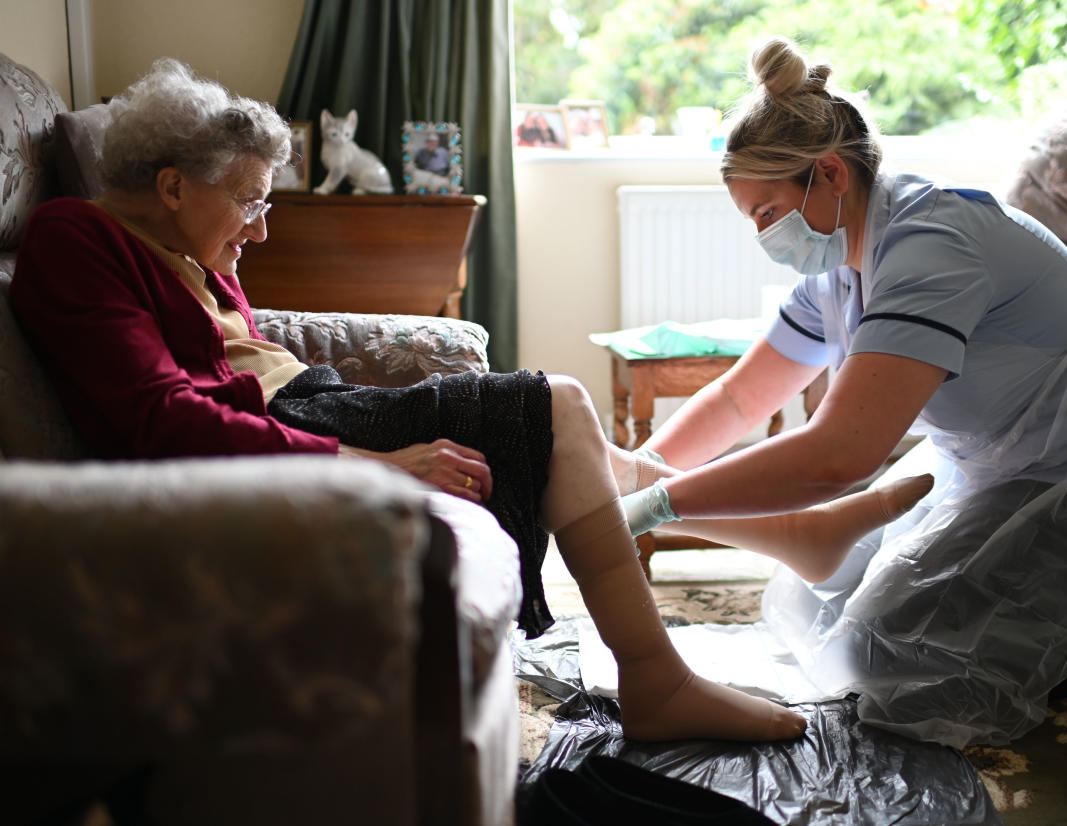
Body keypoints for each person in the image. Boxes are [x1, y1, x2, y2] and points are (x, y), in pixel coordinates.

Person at [11, 58, 935, 745]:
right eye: (250, 202)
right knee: (561, 405)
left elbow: (232, 357)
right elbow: (159, 415)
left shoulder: (185, 250)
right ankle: (659, 675)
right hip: (289, 431)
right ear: (171, 187)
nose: (261, 227)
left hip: (308, 407)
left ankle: (791, 539)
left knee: (579, 446)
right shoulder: (71, 239)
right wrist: (372, 467)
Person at [620, 37, 1067, 746]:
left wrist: (653, 505)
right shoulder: (836, 269)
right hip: (1013, 467)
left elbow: (841, 454)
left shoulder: (930, 243)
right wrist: (642, 470)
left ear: (829, 175)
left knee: (892, 662)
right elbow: (737, 400)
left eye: (764, 213)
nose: (762, 236)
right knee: (828, 611)